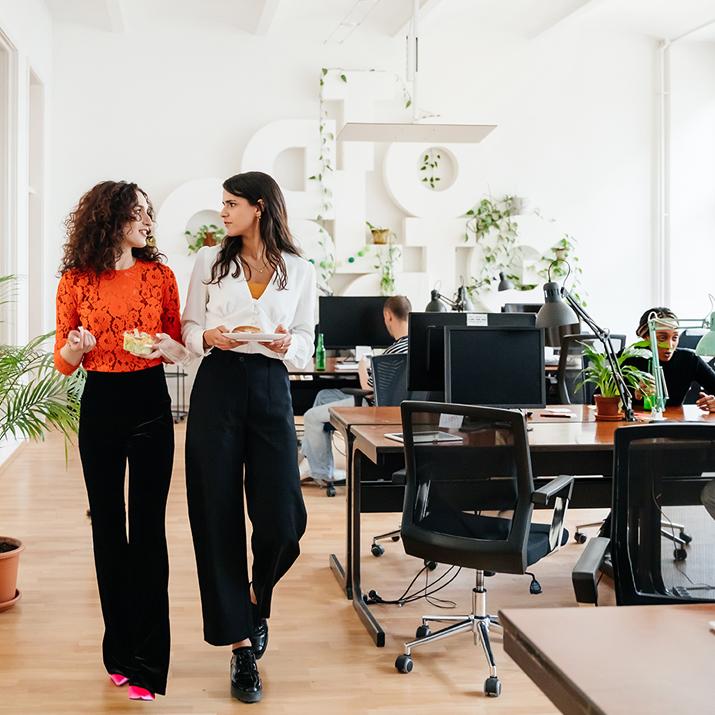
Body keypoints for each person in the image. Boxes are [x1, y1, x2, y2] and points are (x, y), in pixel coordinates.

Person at [181, 171, 315, 704]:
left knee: (284, 518)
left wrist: (287, 347)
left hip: (269, 382)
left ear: (259, 208)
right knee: (215, 514)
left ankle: (257, 597)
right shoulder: (209, 263)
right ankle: (241, 648)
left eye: (231, 204)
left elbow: (306, 338)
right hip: (217, 384)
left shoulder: (300, 270)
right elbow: (190, 328)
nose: (223, 213)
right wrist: (206, 336)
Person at [54, 181, 181, 701]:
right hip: (101, 403)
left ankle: (150, 665)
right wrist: (76, 346)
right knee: (108, 529)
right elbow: (64, 365)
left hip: (150, 401)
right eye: (137, 213)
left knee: (148, 531)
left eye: (149, 213)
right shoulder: (75, 279)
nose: (147, 222)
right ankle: (119, 652)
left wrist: (167, 345)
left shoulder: (160, 277)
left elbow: (177, 347)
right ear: (109, 220)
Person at [598, 306, 715, 539]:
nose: (669, 345)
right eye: (661, 337)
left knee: (641, 475)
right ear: (644, 337)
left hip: (674, 447)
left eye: (674, 337)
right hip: (630, 443)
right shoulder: (627, 360)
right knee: (635, 471)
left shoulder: (688, 359)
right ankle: (617, 536)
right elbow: (600, 397)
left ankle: (613, 534)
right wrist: (633, 396)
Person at [300, 295, 410, 485]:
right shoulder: (414, 346)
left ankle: (323, 474)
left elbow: (368, 389)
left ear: (388, 316)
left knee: (311, 416)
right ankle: (317, 460)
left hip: (373, 408)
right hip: (400, 408)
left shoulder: (391, 352)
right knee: (323, 395)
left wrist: (362, 367)